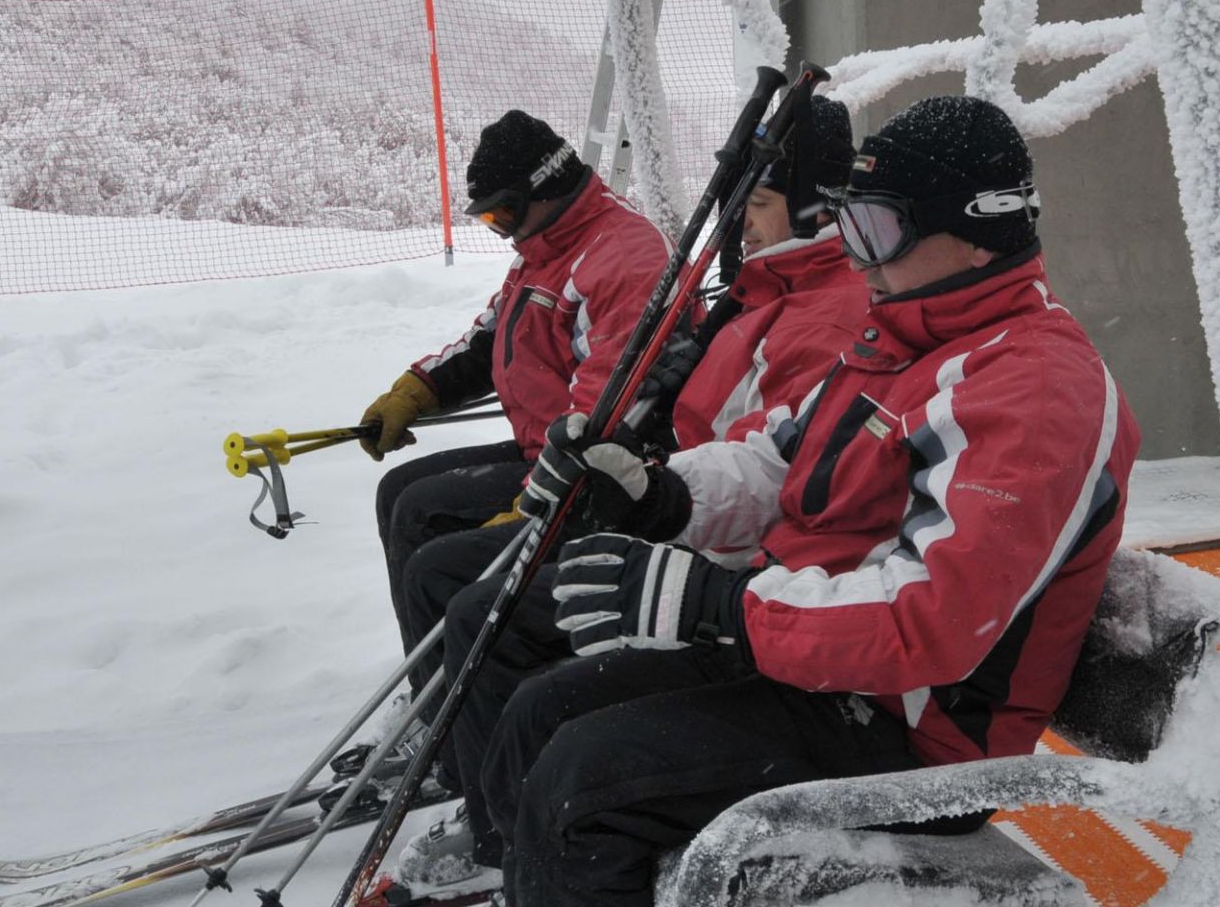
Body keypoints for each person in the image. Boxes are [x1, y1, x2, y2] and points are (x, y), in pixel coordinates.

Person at [486, 95, 1143, 907]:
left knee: (584, 782)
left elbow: (932, 622)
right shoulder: (901, 337)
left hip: (916, 736)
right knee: (543, 708)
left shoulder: (1036, 391)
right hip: (817, 671)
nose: (857, 258)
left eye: (877, 230)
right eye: (847, 225)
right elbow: (777, 460)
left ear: (979, 235)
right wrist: (657, 497)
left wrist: (723, 605)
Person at [392, 98, 868, 891]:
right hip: (656, 501)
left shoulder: (815, 313)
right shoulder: (759, 290)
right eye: (737, 207)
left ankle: (497, 832)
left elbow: (764, 468)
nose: (742, 227)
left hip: (710, 554)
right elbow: (686, 413)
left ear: (816, 207)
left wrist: (643, 492)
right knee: (418, 517)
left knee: (479, 607)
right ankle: (487, 796)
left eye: (756, 206)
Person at [360, 110, 672, 668]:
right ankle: (431, 683)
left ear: (546, 188)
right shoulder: (546, 248)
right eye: (489, 221)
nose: (501, 231)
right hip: (542, 446)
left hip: (591, 469)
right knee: (399, 492)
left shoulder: (621, 257)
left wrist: (534, 497)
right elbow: (492, 339)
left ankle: (445, 719)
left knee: (420, 517)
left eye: (503, 213)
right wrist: (418, 390)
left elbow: (605, 409)